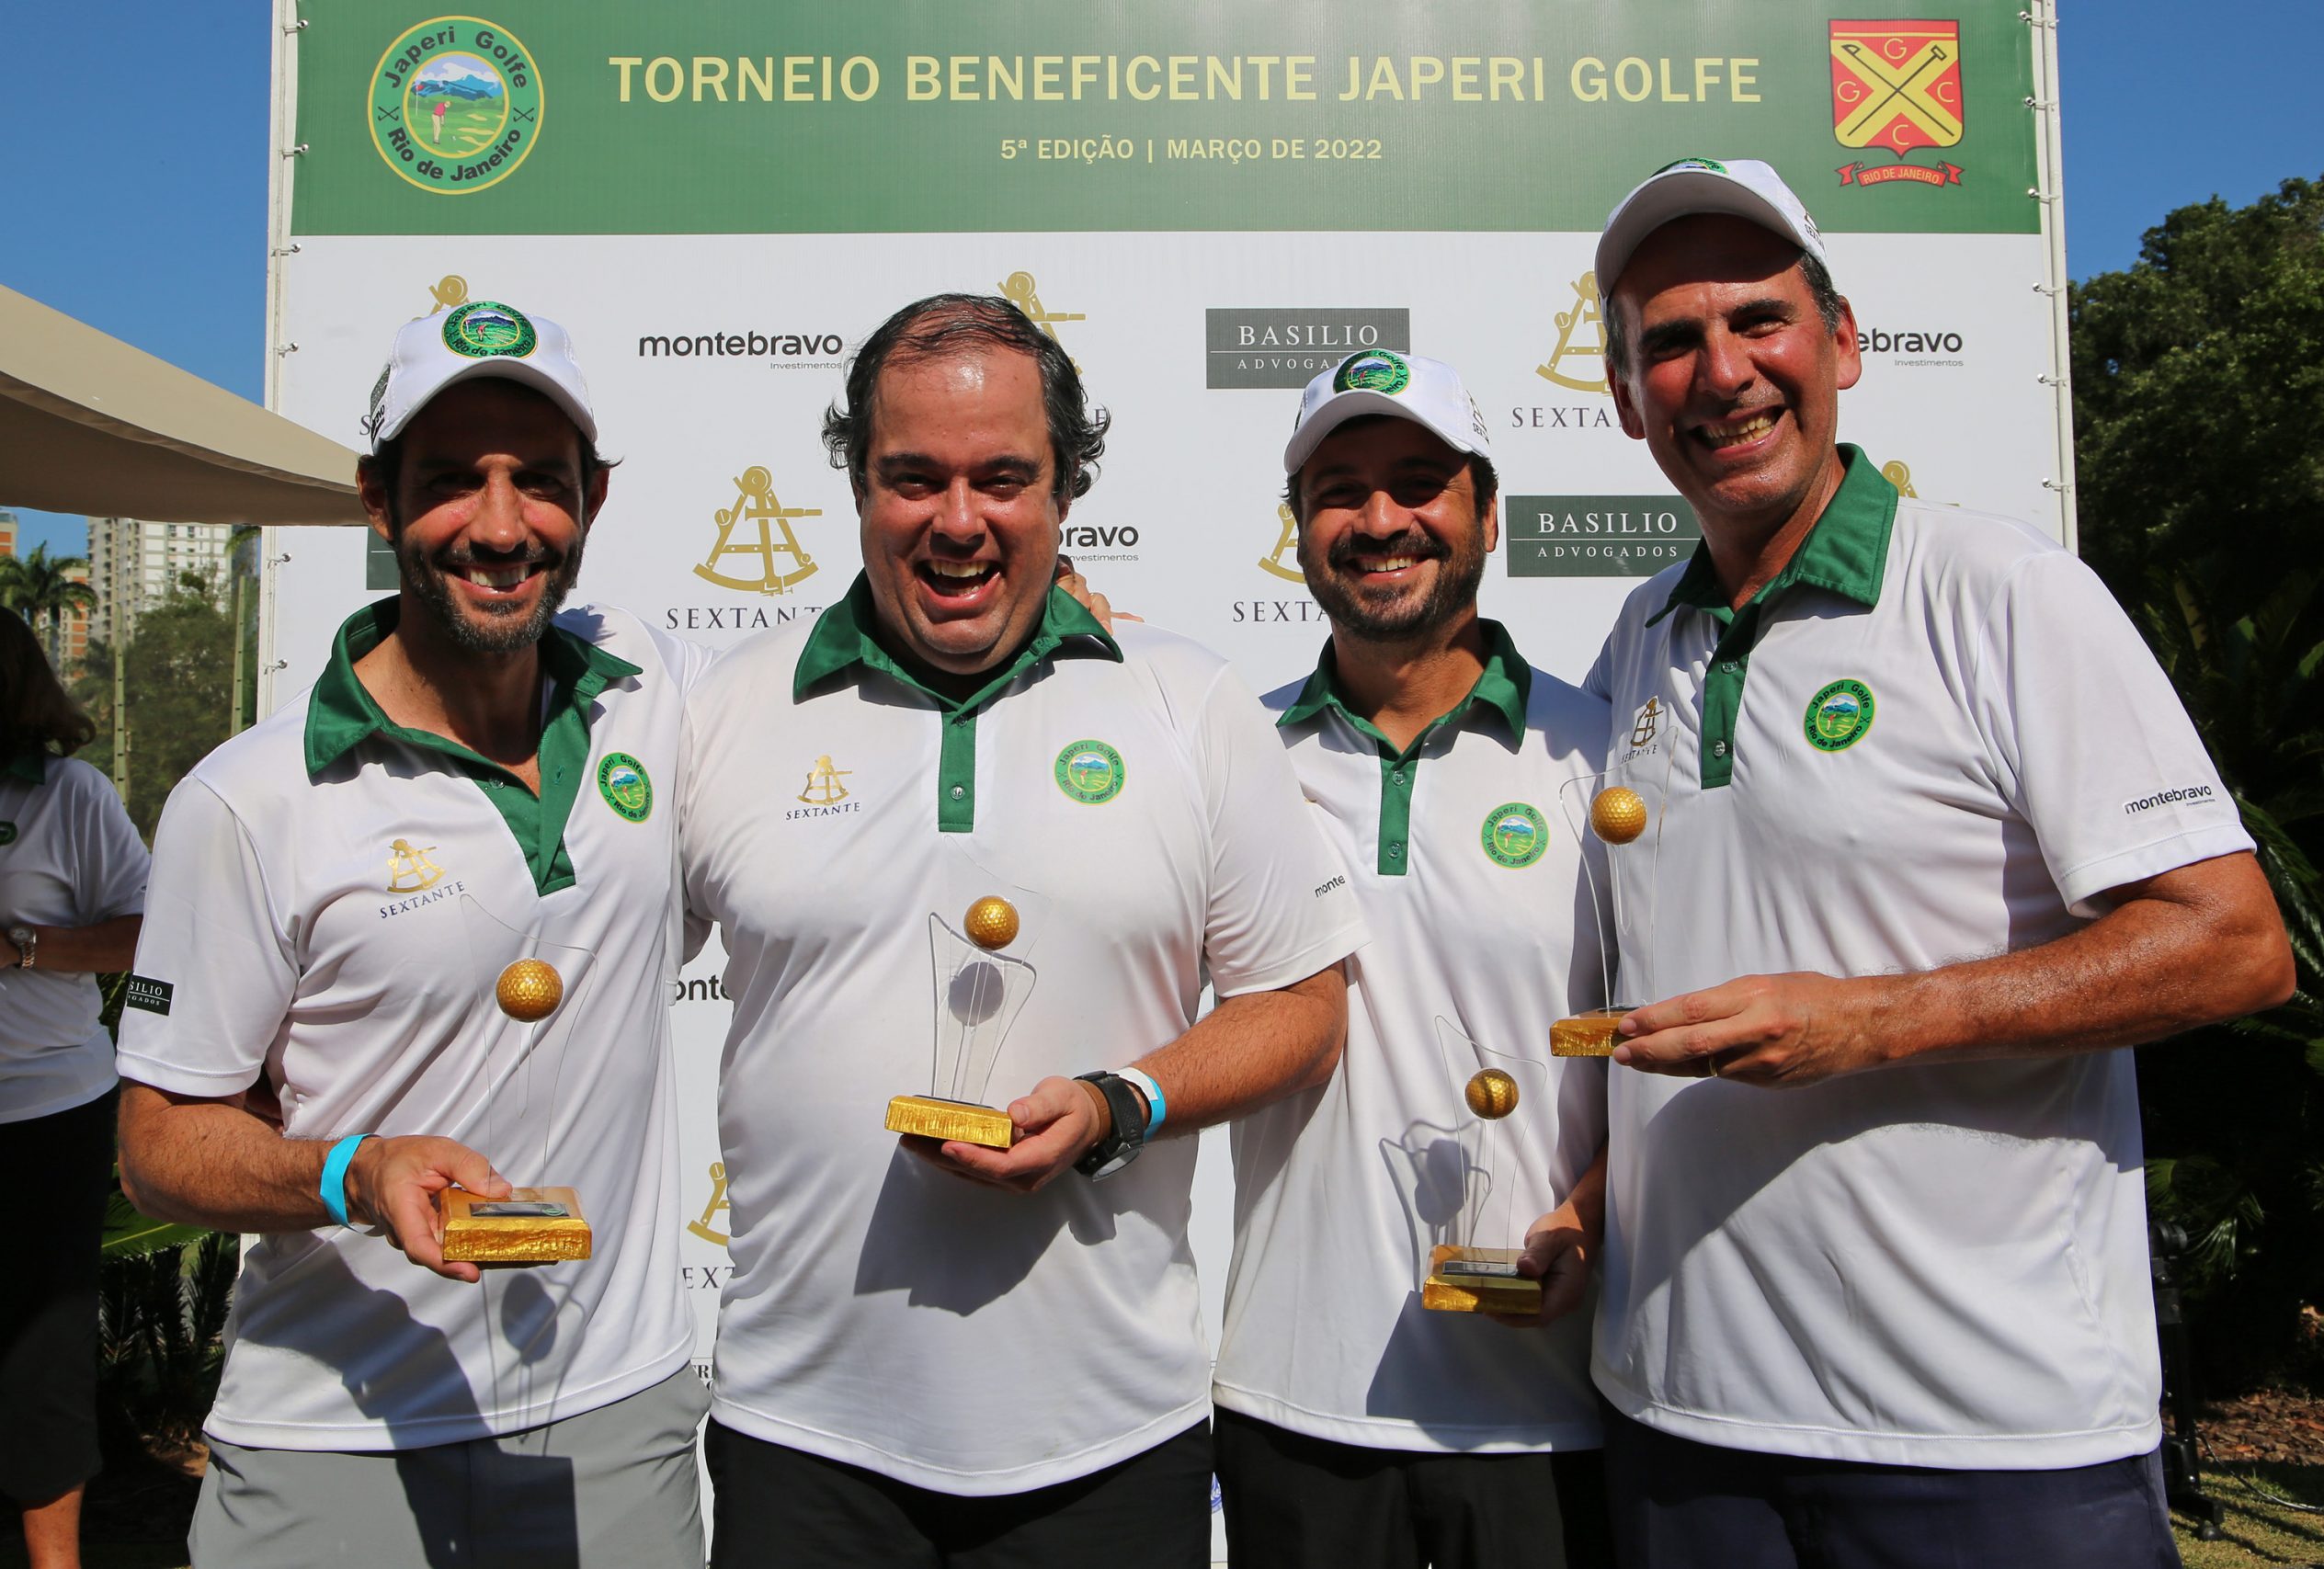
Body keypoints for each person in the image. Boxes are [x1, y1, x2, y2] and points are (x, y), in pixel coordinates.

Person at [1582, 156, 2296, 1566]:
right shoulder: (1638, 637)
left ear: (1842, 343)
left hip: (1988, 1440)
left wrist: (1878, 1018)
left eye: (1759, 321)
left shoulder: (1998, 587)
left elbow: (2233, 940)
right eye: (1669, 341)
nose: (1720, 371)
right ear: (1621, 396)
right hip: (1682, 1420)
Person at [678, 292, 1367, 1568]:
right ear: (857, 482)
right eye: (912, 478)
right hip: (802, 1441)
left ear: (1066, 490)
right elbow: (589, 965)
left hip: (1105, 1447)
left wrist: (1122, 1102)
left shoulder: (1184, 698)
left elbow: (1304, 1007)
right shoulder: (725, 706)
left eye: (1004, 476)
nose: (958, 520)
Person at [114, 301, 711, 1569]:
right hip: (333, 1436)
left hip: (616, 1417)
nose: (501, 526)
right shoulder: (250, 796)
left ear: (593, 498)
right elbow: (157, 1146)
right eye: (451, 481)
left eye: (539, 482)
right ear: (378, 501)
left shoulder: (649, 691)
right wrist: (350, 1171)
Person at [1213, 351, 1616, 1569]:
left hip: (1560, 1413)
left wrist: (1600, 1207)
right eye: (1339, 489)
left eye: (1419, 482)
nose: (1380, 519)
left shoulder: (1601, 754)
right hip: (1295, 1404)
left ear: (1487, 513)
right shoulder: (1231, 755)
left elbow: (1683, 1051)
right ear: (1296, 533)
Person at [0, 612, 147, 1569]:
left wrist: (19, 948)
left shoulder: (70, 798)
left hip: (45, 1113)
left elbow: (148, 936)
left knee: (42, 1358)